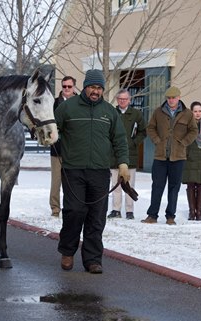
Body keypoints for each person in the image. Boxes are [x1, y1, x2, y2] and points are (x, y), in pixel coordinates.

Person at [54, 69, 129, 273]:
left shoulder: (109, 112)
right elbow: (53, 130)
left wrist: (123, 163)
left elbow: (120, 139)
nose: (95, 91)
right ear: (85, 87)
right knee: (74, 212)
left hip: (99, 171)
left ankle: (93, 259)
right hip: (73, 170)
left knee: (97, 216)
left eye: (99, 88)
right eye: (92, 87)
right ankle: (68, 252)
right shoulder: (67, 108)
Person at [141, 86, 198, 225]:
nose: (171, 100)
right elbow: (150, 127)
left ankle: (170, 216)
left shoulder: (188, 114)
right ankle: (152, 215)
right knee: (157, 186)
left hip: (178, 157)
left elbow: (194, 131)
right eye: (168, 98)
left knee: (174, 188)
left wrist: (184, 142)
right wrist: (156, 140)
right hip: (160, 156)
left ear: (179, 97)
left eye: (173, 98)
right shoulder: (158, 112)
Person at [107, 89, 147, 220]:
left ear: (129, 100)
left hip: (131, 154)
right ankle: (115, 209)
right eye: (120, 99)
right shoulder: (112, 113)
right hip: (114, 154)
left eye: (125, 99)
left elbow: (143, 131)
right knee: (115, 184)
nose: (122, 101)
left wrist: (134, 142)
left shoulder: (136, 114)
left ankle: (130, 211)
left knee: (129, 184)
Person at [50, 76, 77, 217]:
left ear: (74, 87)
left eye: (69, 86)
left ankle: (71, 208)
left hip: (75, 150)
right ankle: (55, 209)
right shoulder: (54, 104)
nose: (66, 89)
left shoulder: (80, 103)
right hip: (57, 149)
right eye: (64, 86)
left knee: (73, 182)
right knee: (56, 181)